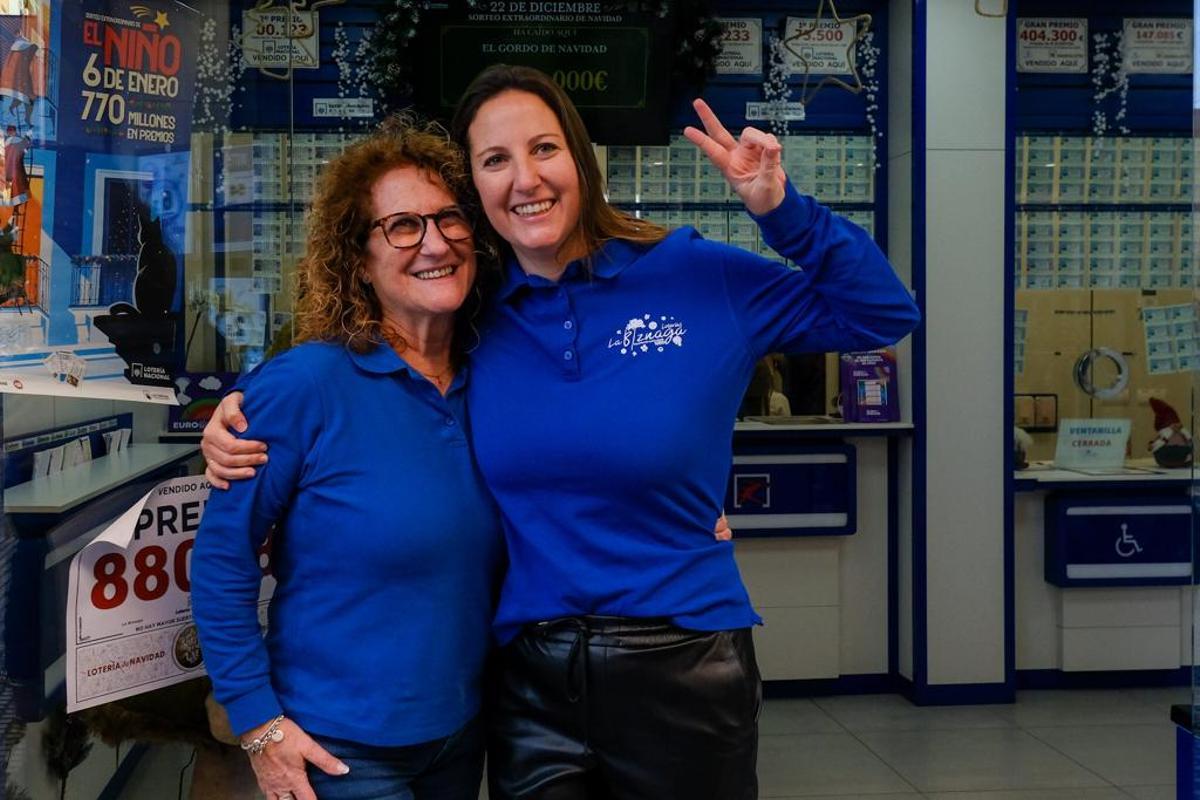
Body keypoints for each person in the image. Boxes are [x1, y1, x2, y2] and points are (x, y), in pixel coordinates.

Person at [204, 65, 920, 799]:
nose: (525, 178)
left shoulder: (695, 277)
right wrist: (238, 407)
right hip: (528, 677)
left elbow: (882, 314)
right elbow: (362, 364)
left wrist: (780, 208)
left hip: (681, 661)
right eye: (494, 160)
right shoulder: (481, 313)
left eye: (544, 148)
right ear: (478, 192)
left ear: (582, 158)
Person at [190, 115, 505, 800]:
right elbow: (220, 560)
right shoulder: (306, 386)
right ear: (358, 259)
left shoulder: (502, 384)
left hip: (461, 731)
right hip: (337, 751)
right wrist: (259, 725)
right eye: (401, 226)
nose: (434, 242)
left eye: (449, 218)